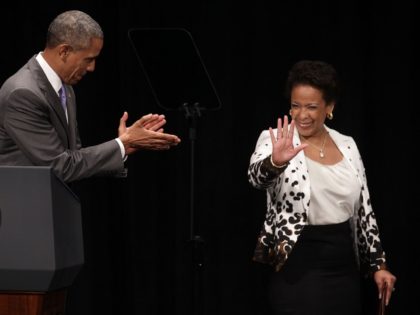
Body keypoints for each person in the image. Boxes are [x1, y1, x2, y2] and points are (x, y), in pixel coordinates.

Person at [248, 60, 396, 314]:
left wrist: (378, 265)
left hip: (342, 265)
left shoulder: (347, 144)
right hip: (299, 263)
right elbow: (256, 178)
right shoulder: (277, 138)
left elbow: (364, 212)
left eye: (311, 107)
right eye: (295, 106)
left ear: (329, 107)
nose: (301, 115)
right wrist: (275, 162)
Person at [0, 10, 180, 183]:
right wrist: (120, 145)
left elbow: (75, 157)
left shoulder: (66, 87)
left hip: (55, 204)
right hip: (24, 209)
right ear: (64, 51)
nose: (92, 68)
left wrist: (123, 147)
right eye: (88, 59)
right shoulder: (23, 93)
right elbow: (59, 166)